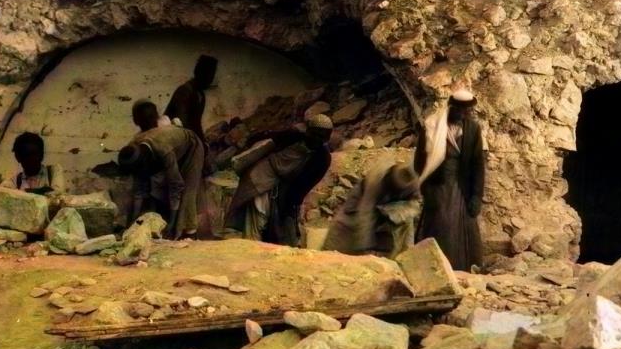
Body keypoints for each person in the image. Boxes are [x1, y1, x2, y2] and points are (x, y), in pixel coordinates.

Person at [225, 114, 334, 247]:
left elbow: (304, 185)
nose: (316, 139)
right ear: (308, 131)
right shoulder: (292, 137)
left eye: (321, 136)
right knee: (258, 217)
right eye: (314, 134)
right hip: (262, 176)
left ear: (327, 138)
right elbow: (267, 141)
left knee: (279, 225)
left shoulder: (322, 158)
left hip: (283, 187)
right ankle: (251, 248)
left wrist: (290, 207)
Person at [415, 85, 486, 271]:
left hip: (461, 185)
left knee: (464, 225)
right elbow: (420, 160)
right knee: (441, 223)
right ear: (452, 108)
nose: (464, 115)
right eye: (461, 110)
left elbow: (478, 164)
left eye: (467, 111)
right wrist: (425, 187)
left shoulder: (473, 129)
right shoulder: (432, 126)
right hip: (437, 185)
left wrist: (476, 196)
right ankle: (435, 266)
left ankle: (463, 268)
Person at [117, 101, 207, 238]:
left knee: (188, 192)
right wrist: (131, 225)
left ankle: (189, 233)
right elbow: (139, 190)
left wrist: (171, 224)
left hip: (192, 146)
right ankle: (170, 226)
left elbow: (176, 186)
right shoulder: (134, 145)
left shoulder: (163, 149)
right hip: (174, 147)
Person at [343, 157, 424, 255]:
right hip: (359, 204)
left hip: (393, 209)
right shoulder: (377, 181)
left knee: (405, 225)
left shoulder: (414, 183)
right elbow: (366, 214)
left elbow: (415, 205)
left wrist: (409, 254)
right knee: (345, 237)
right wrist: (364, 248)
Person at [166, 55, 219, 141]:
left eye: (212, 75)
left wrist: (203, 142)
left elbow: (196, 123)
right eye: (209, 75)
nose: (211, 80)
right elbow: (180, 123)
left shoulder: (200, 95)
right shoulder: (184, 91)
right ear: (199, 73)